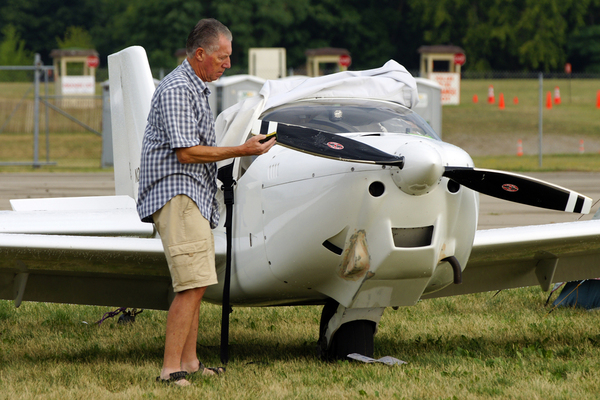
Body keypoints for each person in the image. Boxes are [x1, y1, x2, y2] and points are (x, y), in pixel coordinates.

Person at [136, 18, 275, 386]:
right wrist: (242, 149)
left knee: (196, 283)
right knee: (190, 285)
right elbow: (186, 152)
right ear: (201, 54)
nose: (227, 64)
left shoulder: (195, 87)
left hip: (192, 196)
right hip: (177, 194)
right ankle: (170, 370)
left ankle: (191, 362)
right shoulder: (179, 89)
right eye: (223, 57)